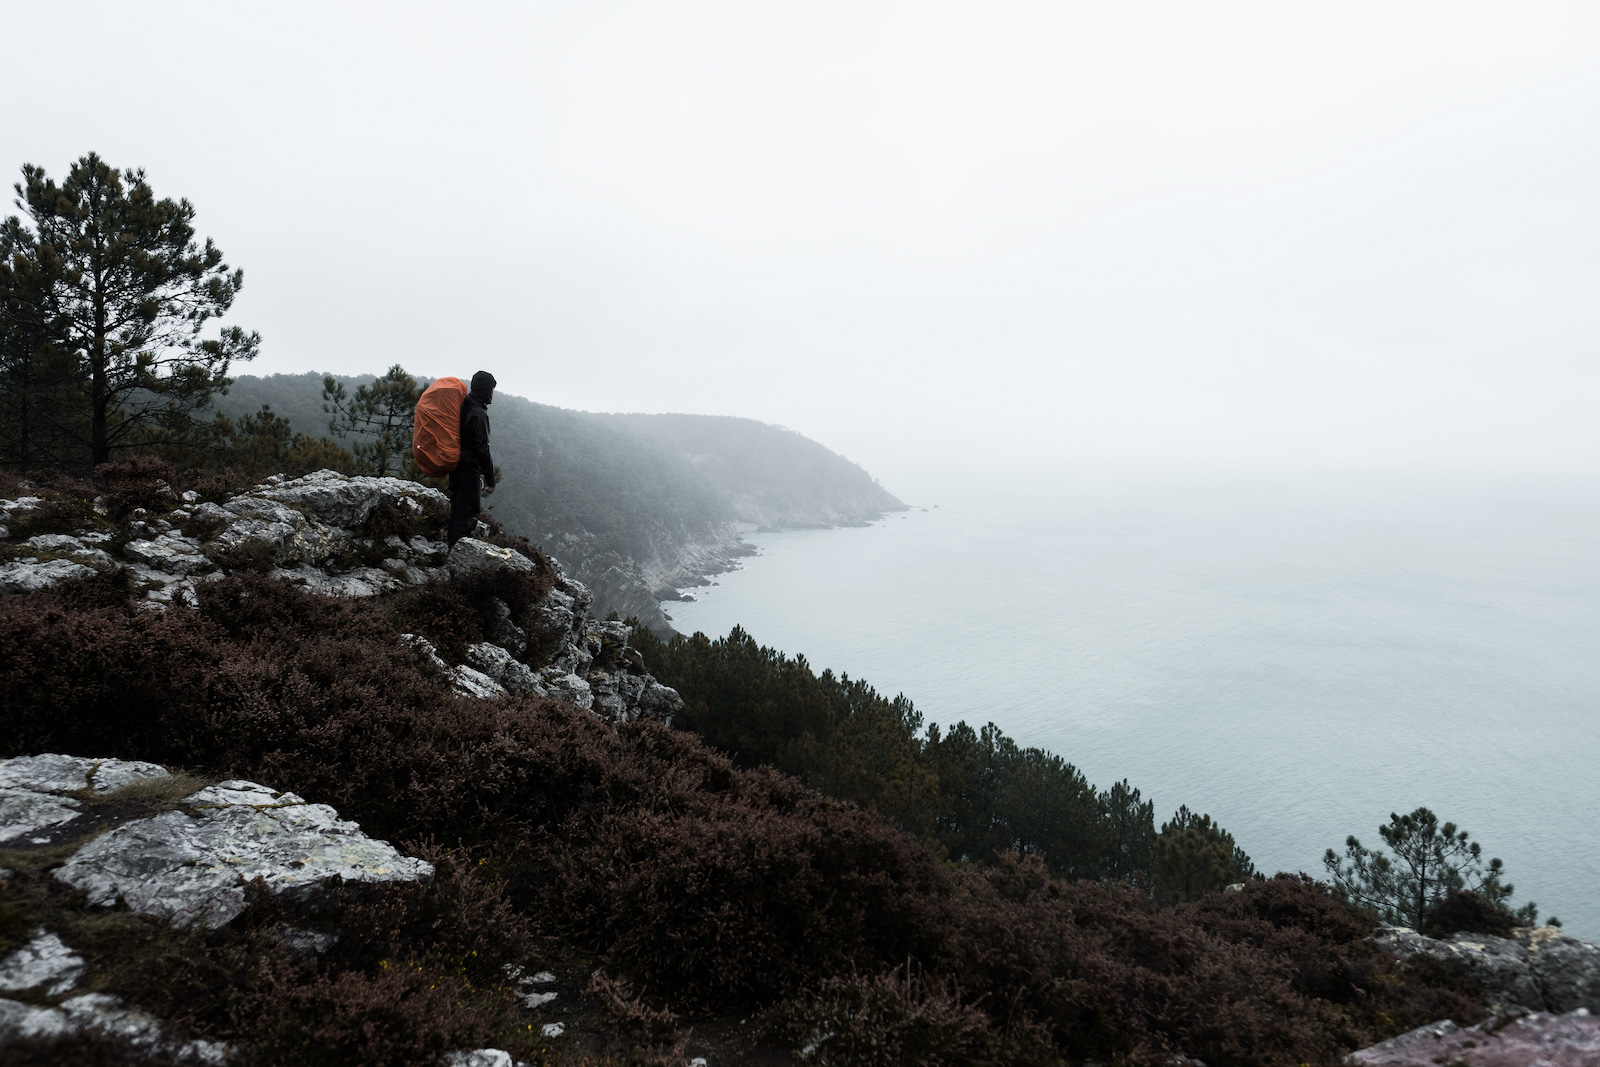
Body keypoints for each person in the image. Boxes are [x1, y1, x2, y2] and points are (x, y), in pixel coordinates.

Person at [447, 370, 497, 547]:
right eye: (491, 389)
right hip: (468, 469)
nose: (492, 394)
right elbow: (482, 448)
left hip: (456, 466)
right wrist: (489, 477)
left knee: (457, 511)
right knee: (468, 514)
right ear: (484, 390)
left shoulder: (463, 406)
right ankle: (456, 558)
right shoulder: (478, 413)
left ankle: (449, 550)